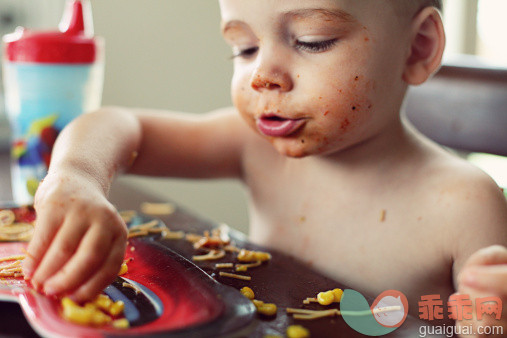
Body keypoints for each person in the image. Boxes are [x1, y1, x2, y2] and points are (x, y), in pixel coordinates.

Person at [22, 0, 507, 333]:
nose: (261, 75)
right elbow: (121, 125)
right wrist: (76, 178)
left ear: (418, 47)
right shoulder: (255, 145)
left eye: (313, 41)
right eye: (245, 48)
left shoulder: (466, 204)